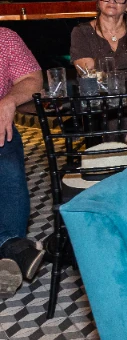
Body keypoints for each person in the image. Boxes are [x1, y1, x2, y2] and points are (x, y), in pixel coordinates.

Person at [0, 29, 44, 299]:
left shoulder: (4, 39)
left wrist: (9, 100)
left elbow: (32, 79)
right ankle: (13, 247)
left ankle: (9, 253)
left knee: (8, 167)